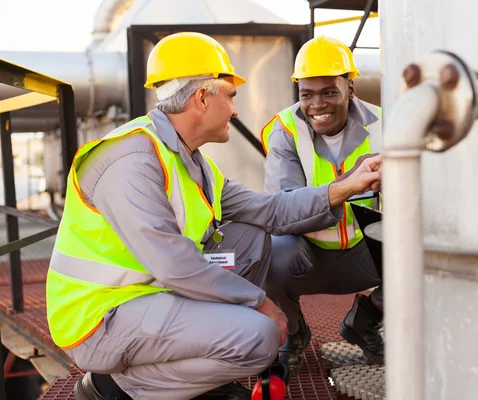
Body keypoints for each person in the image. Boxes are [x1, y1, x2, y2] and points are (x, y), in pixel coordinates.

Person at [45, 32, 382, 400]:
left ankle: (205, 372)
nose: (236, 110)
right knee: (260, 336)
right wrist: (260, 304)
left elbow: (271, 210)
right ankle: (113, 387)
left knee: (251, 240)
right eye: (231, 96)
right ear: (202, 98)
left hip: (149, 294)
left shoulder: (191, 162)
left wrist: (348, 186)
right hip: (101, 317)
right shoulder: (132, 161)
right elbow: (176, 265)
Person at [261, 36, 384, 374]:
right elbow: (281, 211)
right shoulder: (286, 130)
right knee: (269, 248)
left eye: (329, 91)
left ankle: (366, 319)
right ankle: (295, 334)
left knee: (423, 244)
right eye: (307, 94)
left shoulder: (385, 125)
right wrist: (345, 188)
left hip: (364, 253)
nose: (317, 104)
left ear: (350, 88)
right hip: (306, 257)